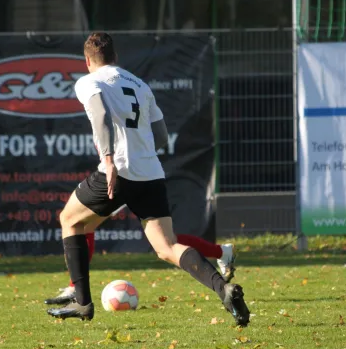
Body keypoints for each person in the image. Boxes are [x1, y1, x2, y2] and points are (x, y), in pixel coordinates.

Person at [46, 32, 250, 327]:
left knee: (69, 220)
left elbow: (101, 114)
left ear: (88, 61)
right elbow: (162, 136)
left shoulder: (89, 81)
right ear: (116, 58)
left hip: (117, 169)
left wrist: (109, 159)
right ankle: (224, 289)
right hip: (150, 173)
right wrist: (140, 154)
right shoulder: (140, 85)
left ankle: (82, 301)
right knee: (167, 247)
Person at [44, 228, 237, 305]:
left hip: (132, 176)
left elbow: (159, 138)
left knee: (165, 243)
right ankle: (222, 252)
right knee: (165, 242)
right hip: (132, 173)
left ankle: (75, 289)